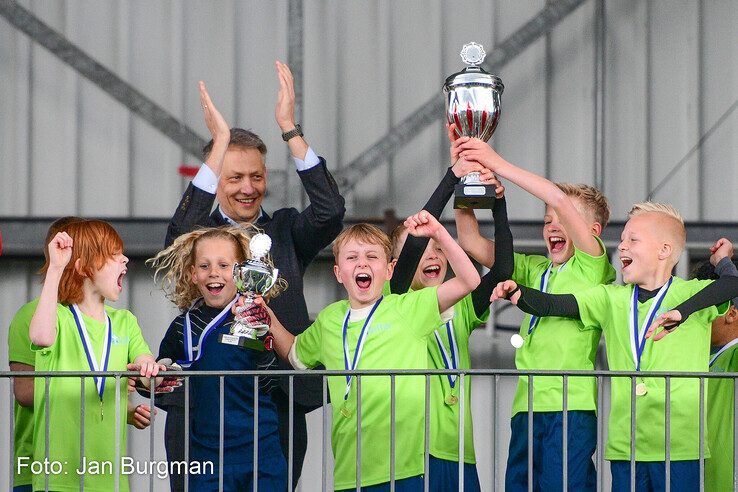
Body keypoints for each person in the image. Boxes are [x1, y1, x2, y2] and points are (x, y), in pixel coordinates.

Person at [165, 61, 345, 489]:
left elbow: (330, 212)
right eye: (234, 177)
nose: (247, 187)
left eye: (256, 176)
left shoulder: (284, 230)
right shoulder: (198, 237)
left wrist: (289, 128)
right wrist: (219, 143)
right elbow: (179, 232)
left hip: (277, 399)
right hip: (203, 403)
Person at [492, 203, 738, 491]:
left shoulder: (691, 294)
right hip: (627, 446)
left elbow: (731, 283)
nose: (621, 246)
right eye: (622, 240)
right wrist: (519, 293)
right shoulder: (610, 298)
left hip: (681, 446)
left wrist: (691, 300)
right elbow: (555, 304)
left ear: (664, 250)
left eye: (633, 240)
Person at [261, 216, 480, 490]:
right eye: (352, 257)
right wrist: (267, 317)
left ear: (389, 270)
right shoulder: (330, 319)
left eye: (372, 256)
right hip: (349, 471)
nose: (362, 263)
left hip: (405, 470)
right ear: (339, 272)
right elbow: (295, 354)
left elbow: (469, 280)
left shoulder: (407, 308)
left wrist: (439, 233)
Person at [454, 137, 615, 490]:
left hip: (570, 406)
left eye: (563, 221)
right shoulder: (534, 269)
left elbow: (557, 197)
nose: (552, 226)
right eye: (546, 221)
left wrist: (496, 163)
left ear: (592, 233)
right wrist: (462, 178)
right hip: (525, 407)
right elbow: (469, 239)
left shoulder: (593, 265)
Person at [385, 125, 513, 491]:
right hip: (407, 452)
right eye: (425, 250)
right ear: (397, 266)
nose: (434, 255)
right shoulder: (394, 302)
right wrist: (451, 176)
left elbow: (502, 269)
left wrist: (498, 203)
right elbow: (413, 243)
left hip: (458, 451)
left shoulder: (463, 308)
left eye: (439, 249)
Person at [7, 217, 154, 492]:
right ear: (82, 266)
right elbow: (29, 383)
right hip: (54, 472)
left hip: (109, 475)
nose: (125, 259)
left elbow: (145, 365)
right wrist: (56, 269)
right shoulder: (49, 315)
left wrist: (146, 377)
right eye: (112, 253)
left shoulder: (124, 320)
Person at [149, 226, 287, 491]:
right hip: (206, 454)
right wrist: (150, 380)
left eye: (224, 265)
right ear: (192, 275)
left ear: (240, 272)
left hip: (261, 449)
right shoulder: (182, 326)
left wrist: (263, 341)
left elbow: (271, 383)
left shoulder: (254, 316)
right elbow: (159, 380)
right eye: (204, 265)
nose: (214, 272)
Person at [684, 239, 738, 492]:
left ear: (731, 313)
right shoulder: (697, 355)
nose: (696, 317)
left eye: (705, 309)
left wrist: (725, 265)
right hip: (699, 477)